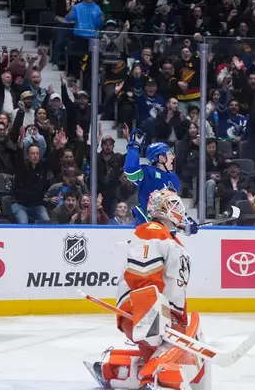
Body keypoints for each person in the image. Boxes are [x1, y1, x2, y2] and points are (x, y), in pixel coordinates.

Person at [84, 189, 210, 389]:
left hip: (162, 315)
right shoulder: (152, 231)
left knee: (175, 352)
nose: (180, 210)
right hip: (147, 313)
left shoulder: (168, 238)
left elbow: (173, 285)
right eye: (174, 205)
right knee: (175, 351)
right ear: (162, 209)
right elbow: (143, 275)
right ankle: (151, 379)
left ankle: (117, 372)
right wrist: (150, 315)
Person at [123, 127, 195, 234]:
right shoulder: (147, 172)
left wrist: (185, 221)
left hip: (167, 228)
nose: (173, 157)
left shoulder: (173, 178)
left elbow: (174, 206)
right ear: (161, 158)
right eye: (170, 154)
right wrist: (134, 147)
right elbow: (130, 171)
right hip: (147, 225)